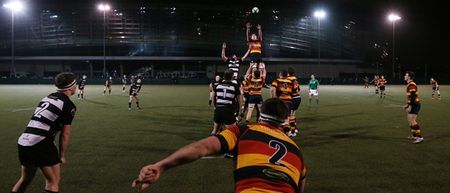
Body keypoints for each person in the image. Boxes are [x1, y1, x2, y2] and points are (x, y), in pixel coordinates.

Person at [131, 98, 307, 193]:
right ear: (285, 124)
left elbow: (203, 148)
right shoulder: (297, 153)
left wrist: (162, 166)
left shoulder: (244, 130)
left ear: (260, 117)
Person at [11, 72, 77, 193]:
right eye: (75, 84)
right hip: (40, 141)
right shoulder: (68, 105)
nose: (76, 86)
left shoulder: (48, 97)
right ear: (70, 87)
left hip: (24, 140)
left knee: (25, 178)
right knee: (53, 181)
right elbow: (65, 134)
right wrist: (62, 155)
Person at [211, 70, 243, 135]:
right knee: (233, 132)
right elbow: (240, 100)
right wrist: (239, 111)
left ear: (223, 77)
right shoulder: (235, 86)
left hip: (218, 109)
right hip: (228, 110)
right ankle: (231, 144)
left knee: (215, 130)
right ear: (232, 77)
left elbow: (213, 98)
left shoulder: (217, 85)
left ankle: (211, 144)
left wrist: (215, 106)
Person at [271, 69, 295, 136]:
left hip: (280, 101)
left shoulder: (277, 80)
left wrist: (274, 98)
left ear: (280, 74)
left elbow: (272, 89)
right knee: (287, 118)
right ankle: (286, 134)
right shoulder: (290, 81)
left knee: (279, 118)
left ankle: (279, 133)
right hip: (289, 101)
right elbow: (293, 91)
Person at [403, 71, 424, 144]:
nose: (404, 76)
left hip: (415, 104)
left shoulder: (411, 84)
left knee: (413, 121)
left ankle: (419, 137)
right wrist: (407, 104)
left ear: (409, 77)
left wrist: (410, 106)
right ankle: (414, 135)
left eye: (406, 75)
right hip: (412, 104)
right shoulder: (409, 84)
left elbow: (413, 96)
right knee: (409, 120)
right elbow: (410, 97)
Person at [287, 67, 300, 136]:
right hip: (298, 98)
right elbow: (298, 90)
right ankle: (295, 129)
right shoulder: (295, 79)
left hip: (293, 98)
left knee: (290, 115)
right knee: (293, 114)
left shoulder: (288, 79)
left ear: (288, 73)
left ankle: (292, 132)